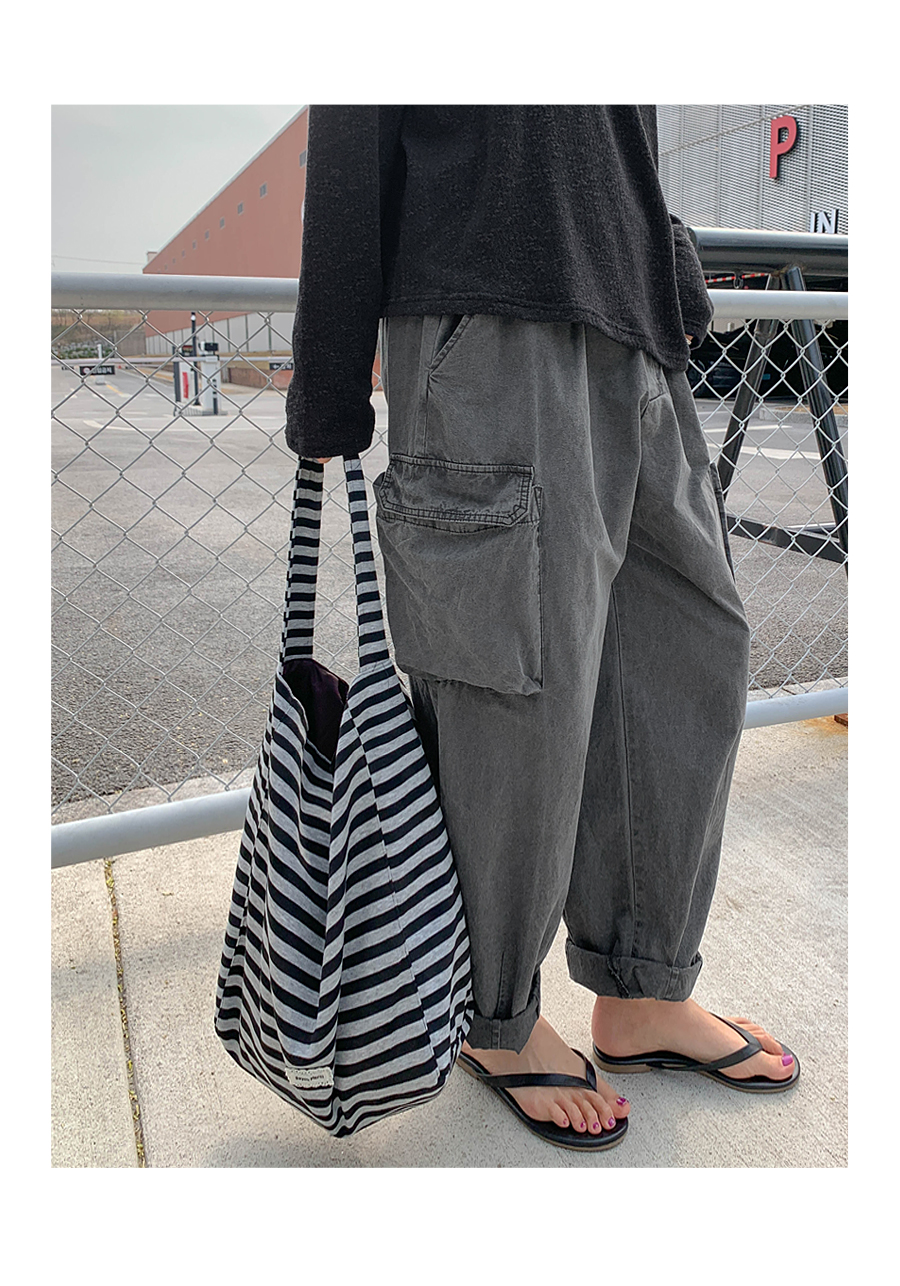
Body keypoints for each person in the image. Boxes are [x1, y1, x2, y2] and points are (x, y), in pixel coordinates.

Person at [284, 105, 799, 1153]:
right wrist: (328, 375)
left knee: (690, 652)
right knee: (516, 685)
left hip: (634, 320)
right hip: (488, 314)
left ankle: (641, 988)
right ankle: (496, 1017)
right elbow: (351, 119)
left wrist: (668, 267)